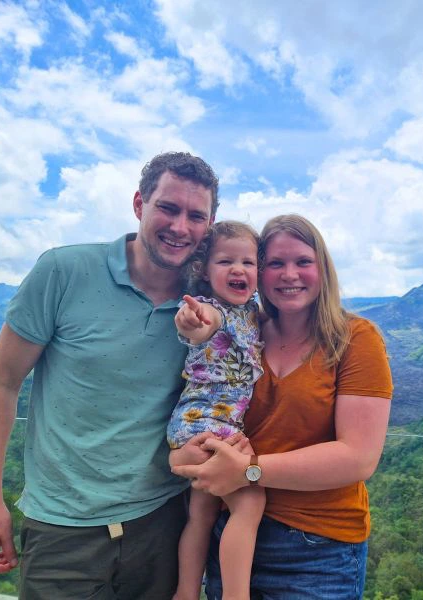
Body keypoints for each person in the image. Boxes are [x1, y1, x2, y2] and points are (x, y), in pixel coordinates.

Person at [0, 151, 219, 600]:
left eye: (196, 215)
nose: (181, 226)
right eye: (168, 207)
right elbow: (0, 383)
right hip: (62, 530)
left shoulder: (208, 300)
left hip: (162, 523)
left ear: (208, 224)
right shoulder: (63, 271)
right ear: (140, 204)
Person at [173, 214, 394, 599]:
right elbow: (204, 345)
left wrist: (249, 472)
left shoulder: (356, 340)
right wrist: (185, 456)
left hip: (319, 550)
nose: (289, 274)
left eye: (303, 262)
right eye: (275, 263)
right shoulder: (244, 330)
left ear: (322, 269)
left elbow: (358, 458)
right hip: (233, 542)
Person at [167, 221, 265, 600]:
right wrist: (195, 323)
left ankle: (186, 592)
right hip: (207, 424)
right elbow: (200, 325)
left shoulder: (252, 311)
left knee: (202, 513)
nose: (238, 269)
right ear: (204, 271)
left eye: (248, 262)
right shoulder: (211, 309)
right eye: (225, 261)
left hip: (198, 424)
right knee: (251, 499)